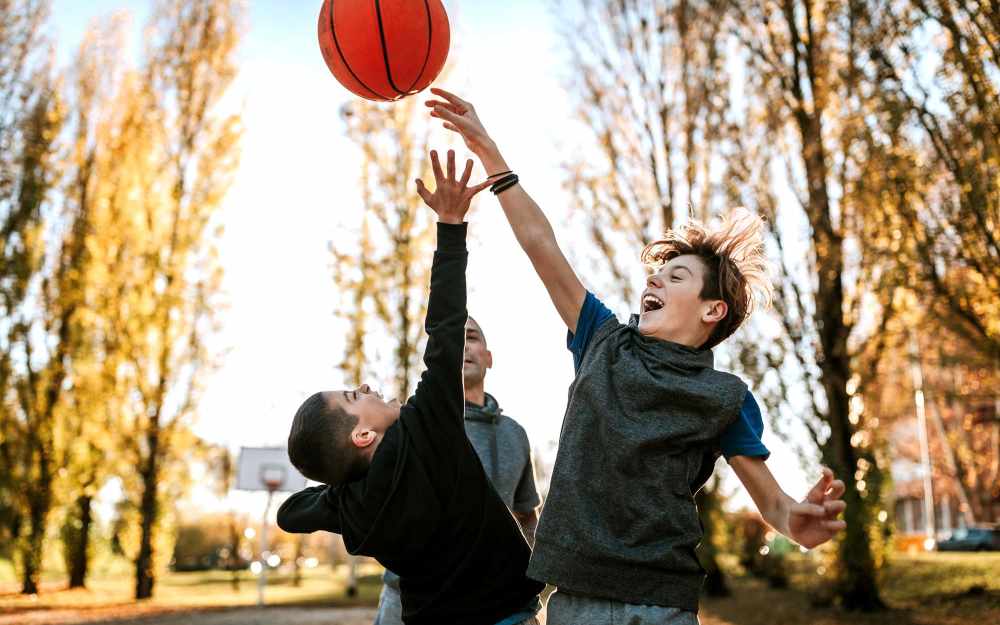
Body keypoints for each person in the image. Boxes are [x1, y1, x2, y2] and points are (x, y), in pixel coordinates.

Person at [425, 88, 848, 625]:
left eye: (677, 276)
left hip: (662, 602)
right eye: (656, 273)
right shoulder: (603, 339)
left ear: (712, 310)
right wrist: (490, 153)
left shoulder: (725, 397)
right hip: (575, 599)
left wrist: (795, 523)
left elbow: (773, 501)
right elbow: (541, 245)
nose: (654, 279)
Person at [276, 150, 544, 625]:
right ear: (362, 436)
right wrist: (451, 225)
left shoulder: (355, 506)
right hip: (505, 614)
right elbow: (445, 323)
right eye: (354, 397)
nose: (364, 386)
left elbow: (288, 515)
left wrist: (336, 493)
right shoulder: (426, 429)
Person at [374, 315, 542, 625]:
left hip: (496, 604)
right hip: (411, 603)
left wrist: (537, 568)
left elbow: (525, 515)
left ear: (488, 358)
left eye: (473, 338)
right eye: (455, 339)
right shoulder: (410, 425)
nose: (463, 346)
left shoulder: (514, 434)